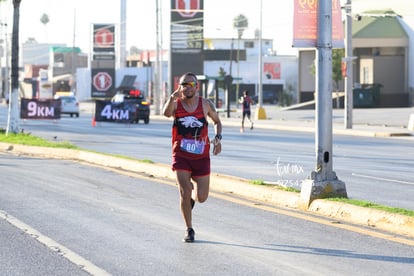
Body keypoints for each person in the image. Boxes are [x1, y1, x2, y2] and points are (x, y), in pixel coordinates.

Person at [162, 72, 222, 243]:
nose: (188, 87)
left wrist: (218, 138)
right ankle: (189, 229)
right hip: (181, 154)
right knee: (184, 191)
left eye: (191, 84)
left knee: (201, 197)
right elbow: (166, 114)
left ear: (197, 86)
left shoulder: (205, 104)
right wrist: (171, 98)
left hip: (202, 155)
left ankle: (191, 200)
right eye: (184, 85)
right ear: (180, 87)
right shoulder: (176, 104)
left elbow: (217, 122)